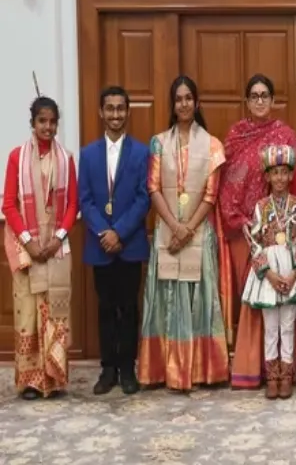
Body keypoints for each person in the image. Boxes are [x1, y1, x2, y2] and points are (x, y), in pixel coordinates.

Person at [137, 75, 229, 391]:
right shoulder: (158, 143)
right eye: (179, 99)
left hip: (199, 233)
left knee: (198, 298)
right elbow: (152, 188)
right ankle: (164, 369)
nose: (184, 104)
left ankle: (202, 370)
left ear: (197, 102)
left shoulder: (214, 146)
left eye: (189, 97)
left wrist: (188, 228)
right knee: (168, 298)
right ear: (173, 105)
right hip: (166, 232)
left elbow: (211, 195)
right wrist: (175, 227)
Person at [220, 74, 296, 390]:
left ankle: (285, 371)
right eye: (254, 95)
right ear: (247, 101)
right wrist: (242, 221)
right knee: (256, 300)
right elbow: (226, 182)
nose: (259, 100)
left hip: (283, 239)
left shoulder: (284, 135)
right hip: (245, 230)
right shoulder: (236, 135)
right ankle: (254, 370)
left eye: (265, 95)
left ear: (272, 100)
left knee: (284, 313)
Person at [2, 96, 78, 400]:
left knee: (55, 313)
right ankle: (32, 381)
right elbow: (8, 204)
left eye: (52, 121)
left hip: (56, 249)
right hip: (28, 250)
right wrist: (29, 241)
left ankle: (54, 377)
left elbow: (72, 204)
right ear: (32, 123)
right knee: (29, 315)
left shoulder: (66, 158)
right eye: (42, 121)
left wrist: (58, 237)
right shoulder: (15, 158)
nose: (47, 127)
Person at [78, 86, 151, 395]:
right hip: (100, 245)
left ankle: (127, 368)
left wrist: (119, 232)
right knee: (106, 307)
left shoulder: (141, 152)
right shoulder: (87, 154)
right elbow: (85, 200)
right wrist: (104, 233)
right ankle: (108, 369)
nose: (116, 114)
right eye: (110, 108)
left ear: (128, 112)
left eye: (121, 108)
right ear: (101, 112)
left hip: (129, 243)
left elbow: (143, 198)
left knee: (129, 307)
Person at [241, 145, 296, 399]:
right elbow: (254, 243)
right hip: (270, 273)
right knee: (270, 326)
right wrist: (270, 275)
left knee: (288, 325)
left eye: (285, 173)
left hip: (291, 269)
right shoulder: (261, 207)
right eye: (275, 173)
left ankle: (287, 375)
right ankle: (271, 376)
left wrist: (295, 274)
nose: (280, 178)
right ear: (267, 177)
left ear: (291, 175)